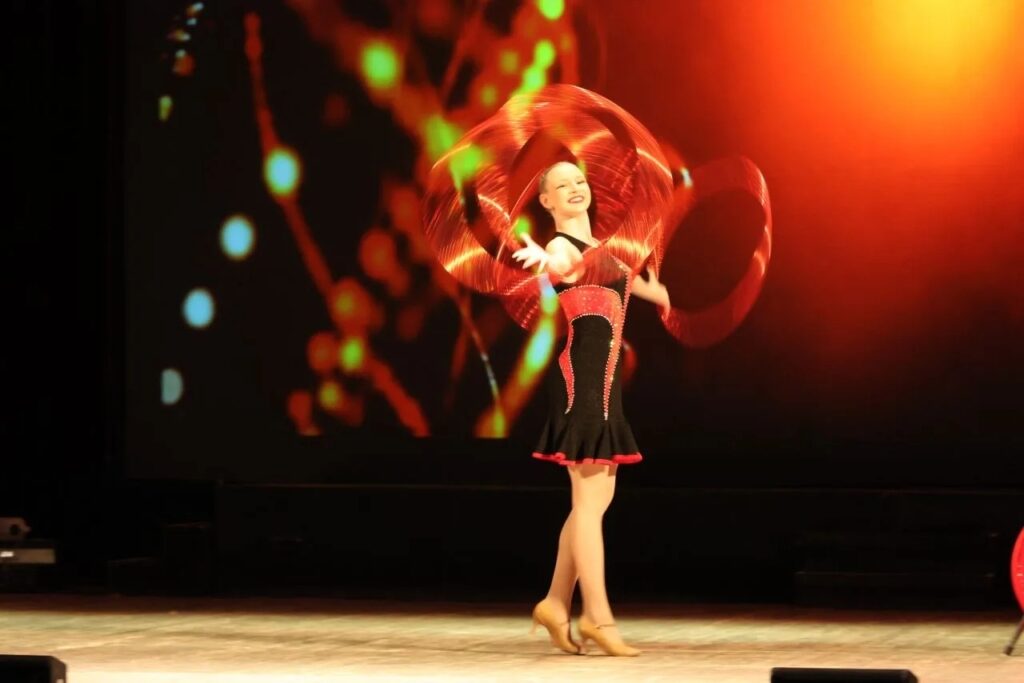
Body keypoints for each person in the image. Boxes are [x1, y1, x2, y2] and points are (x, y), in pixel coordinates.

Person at [512, 160, 670, 656]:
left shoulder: (605, 251)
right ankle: (598, 617)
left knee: (594, 502)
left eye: (579, 181)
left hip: (603, 387)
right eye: (562, 185)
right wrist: (544, 257)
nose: (575, 189)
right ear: (547, 202)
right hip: (581, 384)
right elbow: (561, 266)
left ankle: (556, 602)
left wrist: (662, 293)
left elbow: (637, 284)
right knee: (588, 503)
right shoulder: (561, 247)